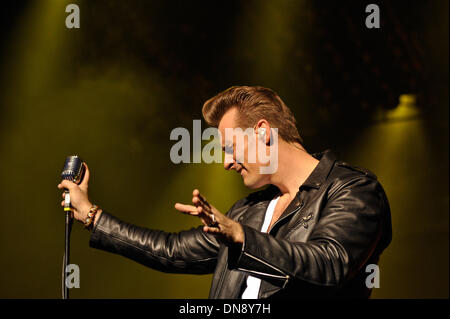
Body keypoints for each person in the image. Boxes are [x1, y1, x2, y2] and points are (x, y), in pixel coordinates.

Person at [57, 86, 392, 299]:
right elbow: (172, 250)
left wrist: (243, 239)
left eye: (231, 148)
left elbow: (330, 264)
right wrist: (91, 214)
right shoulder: (249, 210)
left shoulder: (353, 188)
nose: (227, 163)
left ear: (262, 132)